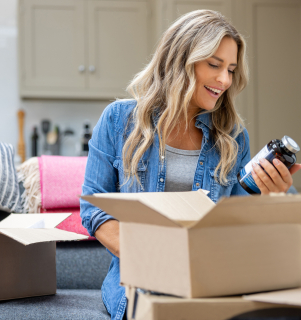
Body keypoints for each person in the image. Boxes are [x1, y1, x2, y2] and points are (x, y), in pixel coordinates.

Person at [80, 9, 301, 320]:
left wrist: (274, 199)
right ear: (179, 59)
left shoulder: (233, 136)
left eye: (232, 69)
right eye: (214, 65)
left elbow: (237, 222)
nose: (225, 80)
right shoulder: (119, 120)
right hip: (140, 279)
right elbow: (94, 210)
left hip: (214, 278)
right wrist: (157, 264)